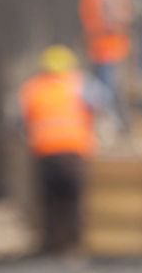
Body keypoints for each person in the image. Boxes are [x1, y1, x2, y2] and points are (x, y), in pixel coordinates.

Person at [19, 45, 96, 255]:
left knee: (50, 201)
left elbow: (20, 118)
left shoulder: (32, 88)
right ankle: (73, 244)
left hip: (45, 152)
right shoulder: (79, 84)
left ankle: (51, 244)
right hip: (72, 151)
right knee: (72, 201)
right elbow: (100, 103)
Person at [79, 0, 139, 134]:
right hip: (105, 49)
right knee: (105, 93)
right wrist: (123, 17)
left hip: (111, 49)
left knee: (111, 91)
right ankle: (108, 129)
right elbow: (108, 19)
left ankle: (116, 127)